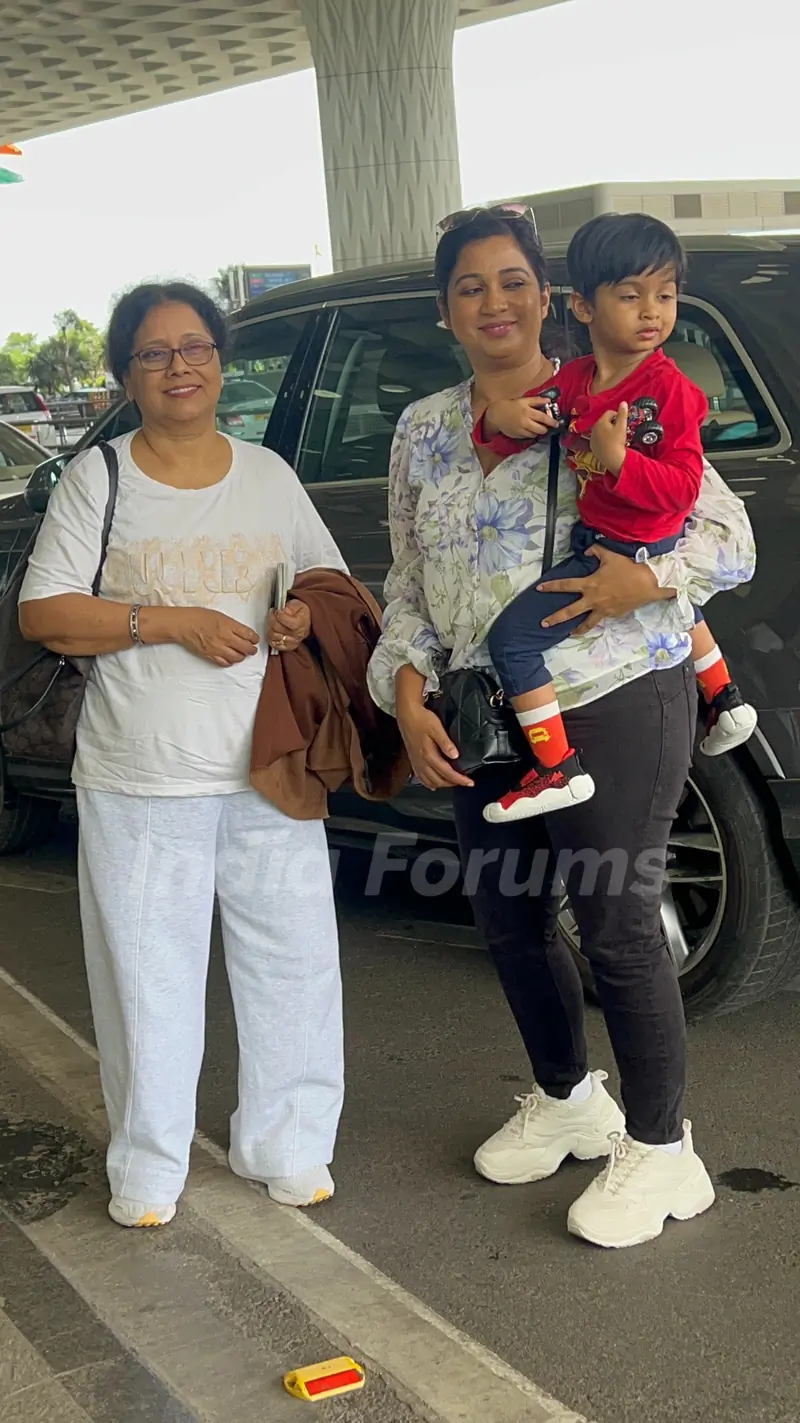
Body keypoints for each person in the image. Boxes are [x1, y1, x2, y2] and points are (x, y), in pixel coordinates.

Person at [368, 205, 756, 1249]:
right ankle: (563, 1096)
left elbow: (727, 537)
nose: (493, 302)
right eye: (468, 286)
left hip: (616, 690)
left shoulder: (614, 393)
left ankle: (663, 1150)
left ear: (549, 296)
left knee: (618, 924)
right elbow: (407, 577)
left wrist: (645, 579)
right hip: (481, 710)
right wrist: (402, 686)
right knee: (506, 918)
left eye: (511, 281)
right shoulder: (423, 428)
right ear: (444, 308)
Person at [18, 282, 347, 1228]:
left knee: (292, 964)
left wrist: (296, 616)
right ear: (125, 374)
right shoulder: (101, 478)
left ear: (221, 359)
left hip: (267, 763)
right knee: (145, 978)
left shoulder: (268, 474)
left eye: (196, 347)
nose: (180, 367)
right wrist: (169, 623)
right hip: (140, 773)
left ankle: (288, 1142)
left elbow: (326, 583)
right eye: (156, 353)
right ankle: (150, 1165)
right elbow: (45, 613)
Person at [471, 212, 756, 823]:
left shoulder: (671, 392)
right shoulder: (577, 380)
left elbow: (682, 491)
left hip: (636, 545)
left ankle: (556, 767)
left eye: (666, 295)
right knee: (683, 607)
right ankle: (725, 698)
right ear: (583, 307)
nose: (652, 311)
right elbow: (531, 420)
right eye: (631, 296)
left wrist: (618, 462)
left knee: (513, 640)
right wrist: (500, 420)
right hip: (606, 536)